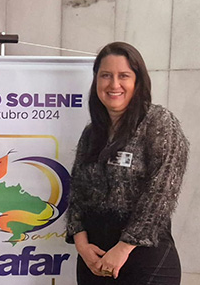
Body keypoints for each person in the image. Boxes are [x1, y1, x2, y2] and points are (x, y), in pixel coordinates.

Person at [65, 42, 189, 284]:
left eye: (124, 76)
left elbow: (161, 194)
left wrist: (122, 249)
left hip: (145, 258)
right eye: (105, 76)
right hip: (94, 259)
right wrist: (82, 245)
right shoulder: (91, 133)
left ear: (138, 82)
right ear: (96, 82)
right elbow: (77, 193)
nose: (114, 84)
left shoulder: (159, 123)